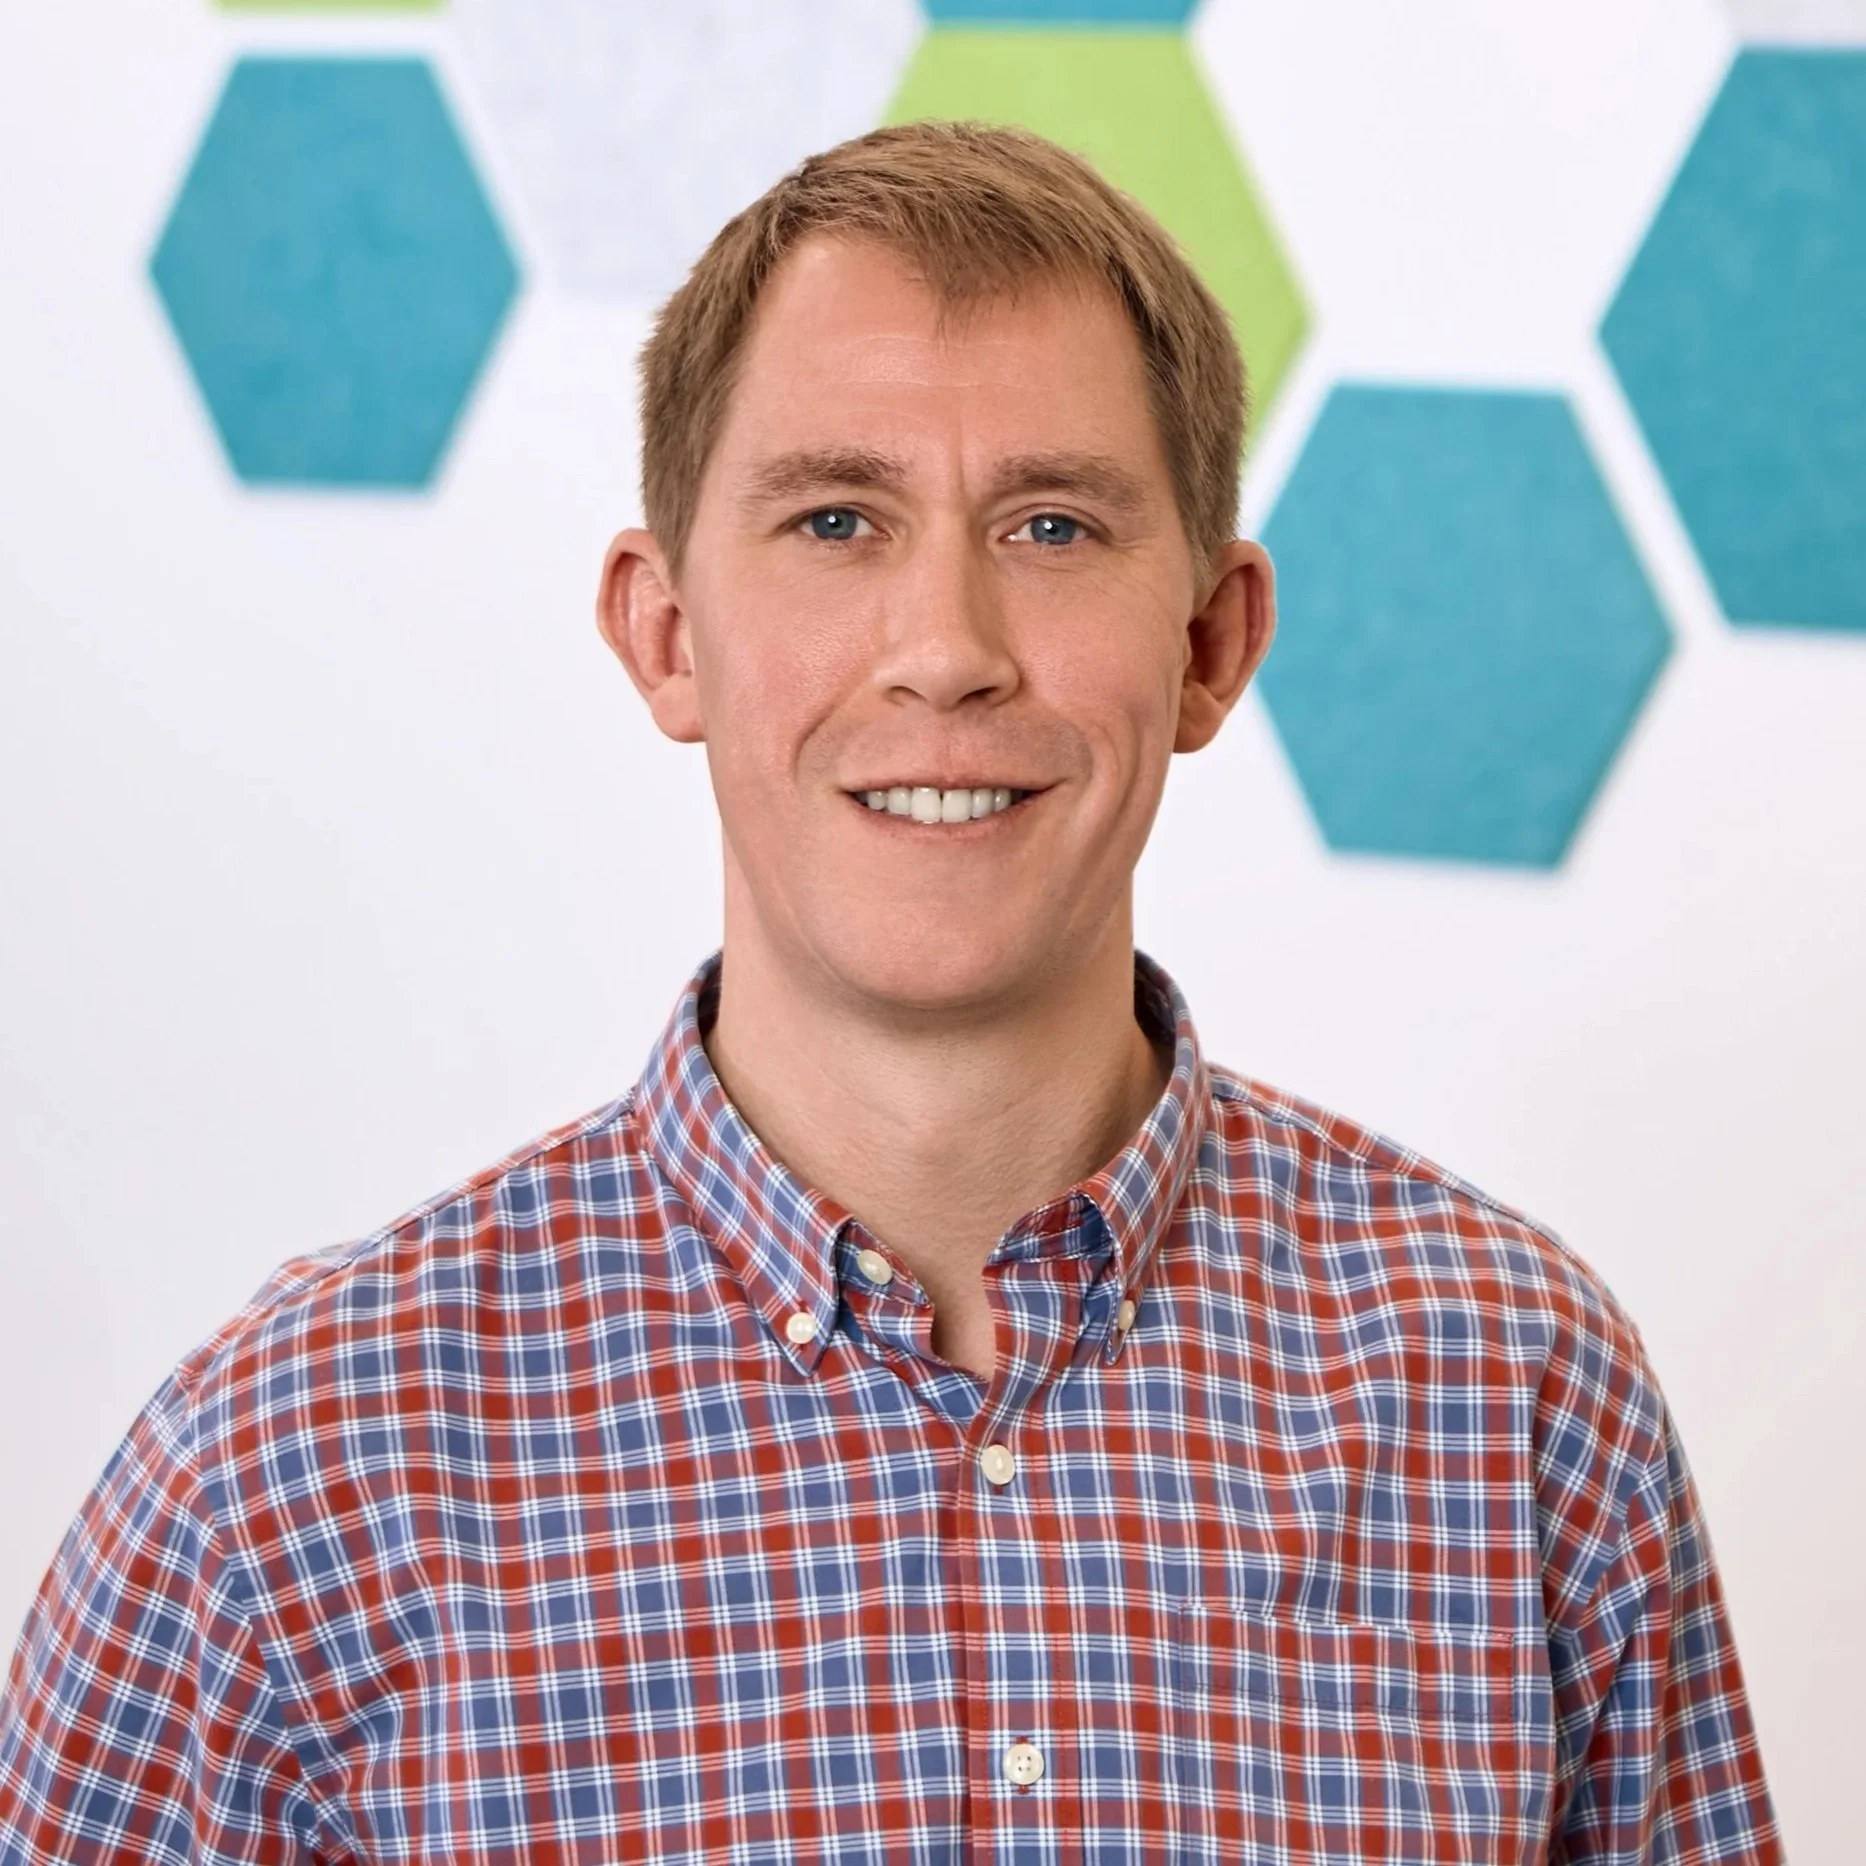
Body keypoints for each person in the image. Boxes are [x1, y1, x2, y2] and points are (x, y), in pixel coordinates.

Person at [0, 121, 1780, 1864]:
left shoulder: (1512, 1391)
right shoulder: (287, 1476)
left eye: (1053, 526)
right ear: (666, 631)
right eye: (836, 518)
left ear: (1210, 643)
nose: (945, 649)